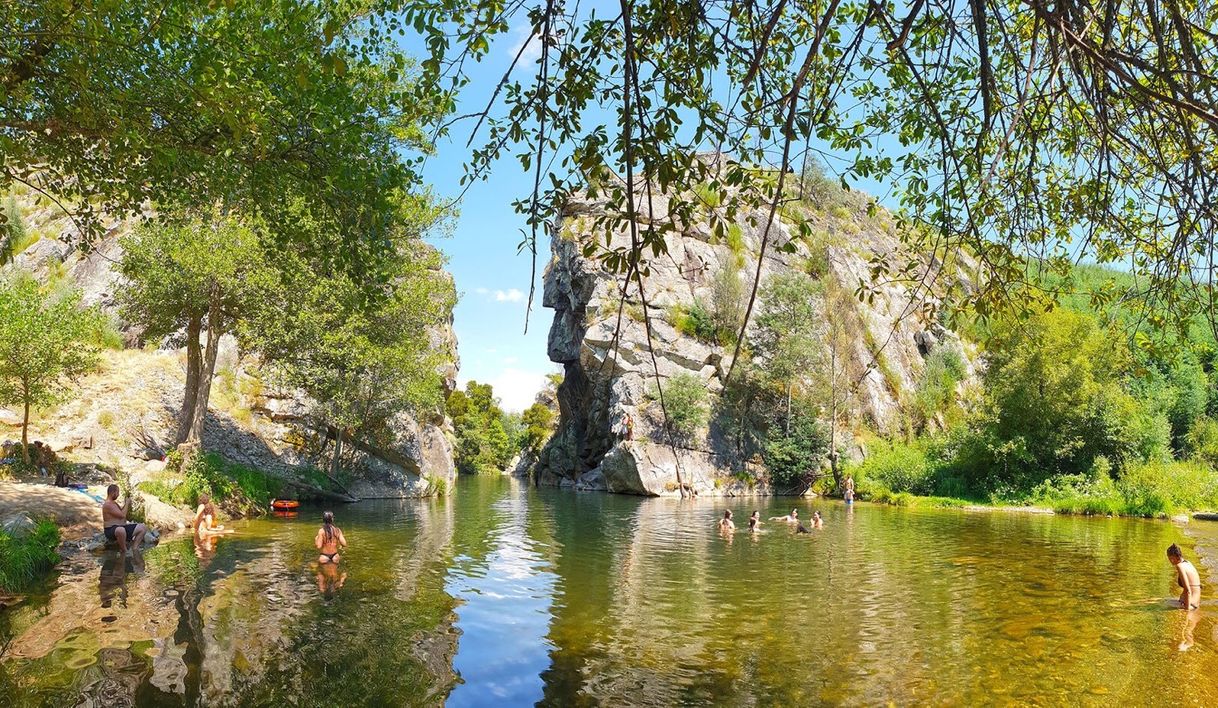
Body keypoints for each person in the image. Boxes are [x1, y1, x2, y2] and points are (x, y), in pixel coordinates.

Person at [101, 484, 146, 555]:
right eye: (117, 492)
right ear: (113, 493)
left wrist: (126, 504)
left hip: (122, 527)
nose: (118, 494)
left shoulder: (114, 503)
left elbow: (121, 513)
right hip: (111, 530)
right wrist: (127, 503)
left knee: (142, 527)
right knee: (120, 530)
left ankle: (135, 549)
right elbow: (122, 515)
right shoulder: (108, 504)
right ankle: (124, 550)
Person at [1168, 543, 1202, 610]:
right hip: (1195, 603)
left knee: (1161, 604)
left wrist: (1187, 610)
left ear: (1177, 557)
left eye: (1171, 558)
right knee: (1160, 600)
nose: (1170, 561)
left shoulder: (1180, 566)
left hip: (1190, 604)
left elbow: (1187, 590)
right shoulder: (1188, 563)